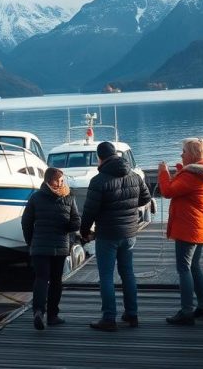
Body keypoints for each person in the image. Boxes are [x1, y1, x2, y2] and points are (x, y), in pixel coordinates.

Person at [80, 141, 152, 331]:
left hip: (107, 234)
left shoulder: (99, 180)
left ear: (100, 158)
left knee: (106, 276)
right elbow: (145, 198)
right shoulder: (134, 176)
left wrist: (84, 231)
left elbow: (89, 210)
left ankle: (109, 318)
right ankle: (132, 314)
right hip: (129, 232)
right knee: (127, 273)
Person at [157, 137, 203, 325]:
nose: (181, 154)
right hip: (200, 226)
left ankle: (187, 311)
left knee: (184, 268)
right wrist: (180, 173)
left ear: (192, 155)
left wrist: (163, 173)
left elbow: (168, 191)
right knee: (194, 266)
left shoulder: (192, 175)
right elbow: (187, 190)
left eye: (183, 151)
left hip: (188, 227)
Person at [21, 167, 80, 330]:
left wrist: (30, 241)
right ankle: (52, 316)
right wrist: (68, 227)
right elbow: (76, 222)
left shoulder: (36, 197)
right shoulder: (69, 198)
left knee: (41, 279)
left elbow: (26, 222)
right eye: (57, 180)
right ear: (48, 181)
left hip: (40, 247)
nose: (60, 183)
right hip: (59, 246)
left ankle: (39, 311)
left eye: (62, 180)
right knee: (55, 281)